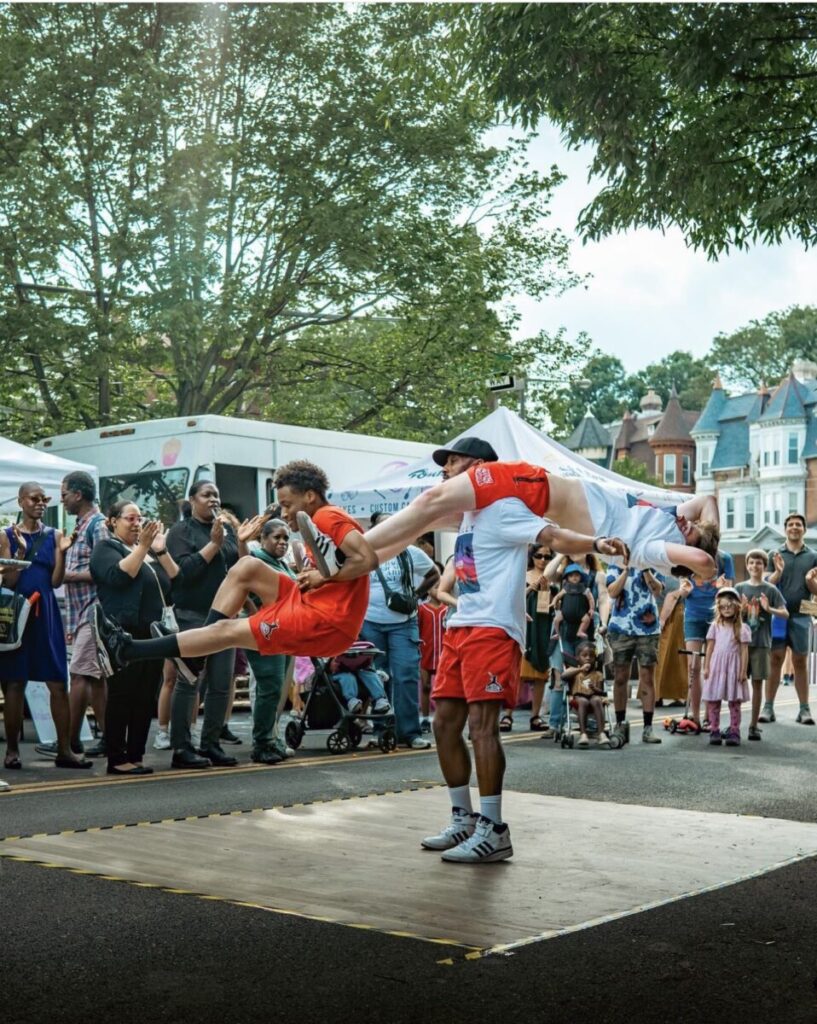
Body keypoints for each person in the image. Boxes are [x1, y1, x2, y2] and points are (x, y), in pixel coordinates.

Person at [411, 448, 627, 864]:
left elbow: (553, 537)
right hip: (461, 628)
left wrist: (596, 542)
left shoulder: (503, 507)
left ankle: (494, 830)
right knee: (444, 724)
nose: (445, 470)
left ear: (479, 468)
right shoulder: (466, 517)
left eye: (452, 462)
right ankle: (464, 819)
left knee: (482, 727)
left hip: (493, 629)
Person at [91, 461, 377, 695]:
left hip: (325, 624)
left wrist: (321, 577)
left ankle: (127, 650)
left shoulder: (327, 516)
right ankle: (196, 656)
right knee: (247, 567)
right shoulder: (320, 519)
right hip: (311, 604)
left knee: (225, 632)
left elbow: (366, 560)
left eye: (287, 504)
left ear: (310, 496)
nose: (284, 513)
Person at [310, 439, 719, 579]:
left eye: (689, 528)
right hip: (531, 502)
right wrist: (703, 525)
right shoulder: (666, 516)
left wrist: (709, 551)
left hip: (534, 488)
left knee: (429, 501)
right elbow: (708, 500)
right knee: (430, 517)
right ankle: (358, 566)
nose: (686, 520)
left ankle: (351, 550)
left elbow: (702, 560)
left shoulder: (650, 549)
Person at [158, 480, 258, 770]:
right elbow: (183, 574)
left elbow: (244, 570)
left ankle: (211, 743)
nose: (214, 499)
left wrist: (240, 541)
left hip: (224, 617)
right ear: (192, 500)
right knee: (188, 682)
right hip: (193, 616)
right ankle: (181, 748)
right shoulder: (180, 531)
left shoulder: (225, 530)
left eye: (216, 494)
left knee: (221, 684)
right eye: (207, 495)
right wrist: (213, 546)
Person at [0, 482, 90, 770]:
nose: (40, 503)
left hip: (46, 612)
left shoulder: (55, 535)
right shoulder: (5, 536)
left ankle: (64, 749)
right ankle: (12, 751)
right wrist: (22, 554)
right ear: (20, 501)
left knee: (57, 682)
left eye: (44, 499)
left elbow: (55, 581)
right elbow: (9, 583)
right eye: (34, 499)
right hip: (18, 613)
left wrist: (63, 551)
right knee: (14, 683)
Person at [91, 501, 180, 774]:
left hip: (151, 634)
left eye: (140, 518)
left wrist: (160, 548)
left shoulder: (148, 551)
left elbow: (175, 577)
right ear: (113, 521)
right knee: (122, 695)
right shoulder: (106, 548)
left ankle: (136, 754)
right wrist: (142, 547)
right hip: (123, 635)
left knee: (144, 696)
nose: (136, 523)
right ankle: (116, 758)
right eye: (130, 518)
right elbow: (120, 576)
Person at [360, 512, 439, 750]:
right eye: (383, 527)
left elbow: (433, 574)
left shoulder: (411, 553)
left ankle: (410, 733)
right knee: (379, 676)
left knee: (406, 675)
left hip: (404, 623)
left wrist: (415, 596)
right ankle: (383, 731)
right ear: (373, 530)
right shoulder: (364, 555)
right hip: (370, 622)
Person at [59, 471, 108, 758]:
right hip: (81, 614)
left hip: (94, 611)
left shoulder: (97, 526)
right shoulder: (81, 525)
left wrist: (68, 576)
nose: (61, 499)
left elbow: (104, 570)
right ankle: (110, 737)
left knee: (78, 675)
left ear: (78, 494)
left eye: (64, 494)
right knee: (97, 679)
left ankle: (69, 740)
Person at [242, 518, 296, 765]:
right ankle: (262, 743)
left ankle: (271, 738)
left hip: (284, 631)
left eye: (286, 538)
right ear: (263, 539)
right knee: (269, 686)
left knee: (276, 689)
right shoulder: (257, 558)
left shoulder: (281, 563)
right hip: (265, 631)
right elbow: (242, 580)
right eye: (277, 537)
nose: (283, 542)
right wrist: (256, 615)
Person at [760, 514, 817, 725]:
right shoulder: (775, 554)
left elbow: (816, 591)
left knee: (800, 662)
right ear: (785, 529)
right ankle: (768, 708)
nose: (794, 527)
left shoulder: (813, 556)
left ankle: (804, 710)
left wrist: (810, 582)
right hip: (778, 615)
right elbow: (767, 585)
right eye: (791, 524)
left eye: (798, 524)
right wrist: (777, 572)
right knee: (775, 660)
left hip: (802, 614)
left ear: (804, 529)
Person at [606, 561, 665, 745]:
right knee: (620, 677)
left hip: (647, 628)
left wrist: (645, 568)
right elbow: (612, 592)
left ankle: (648, 728)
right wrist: (625, 570)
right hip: (620, 627)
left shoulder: (654, 562)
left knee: (647, 676)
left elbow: (657, 591)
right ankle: (620, 723)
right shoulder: (614, 564)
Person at [736, 550, 788, 741]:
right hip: (741, 645)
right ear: (747, 565)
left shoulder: (771, 590)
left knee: (757, 684)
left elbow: (785, 613)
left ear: (764, 567)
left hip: (761, 643)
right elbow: (727, 614)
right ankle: (735, 725)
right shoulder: (740, 588)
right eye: (751, 563)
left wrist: (769, 609)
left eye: (759, 563)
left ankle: (753, 725)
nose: (755, 566)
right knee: (738, 683)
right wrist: (739, 610)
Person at [681, 549, 735, 726]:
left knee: (712, 667)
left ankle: (709, 716)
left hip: (716, 617)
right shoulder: (688, 555)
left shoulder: (725, 558)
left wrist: (722, 588)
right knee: (693, 666)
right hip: (693, 616)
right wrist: (684, 592)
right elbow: (682, 591)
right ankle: (695, 716)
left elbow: (730, 593)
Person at [702, 588, 751, 746]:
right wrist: (706, 667)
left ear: (737, 606)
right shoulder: (715, 626)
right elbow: (709, 647)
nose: (726, 609)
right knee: (714, 700)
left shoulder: (742, 628)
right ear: (718, 608)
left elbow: (744, 651)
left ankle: (734, 731)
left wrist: (743, 671)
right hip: (716, 667)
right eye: (723, 607)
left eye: (729, 606)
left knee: (734, 701)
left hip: (733, 668)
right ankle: (714, 730)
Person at [562, 641, 609, 748]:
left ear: (595, 659)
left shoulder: (598, 674)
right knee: (583, 701)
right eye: (584, 656)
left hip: (594, 696)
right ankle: (583, 734)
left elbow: (601, 692)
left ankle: (601, 733)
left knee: (597, 700)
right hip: (578, 697)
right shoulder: (574, 671)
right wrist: (580, 669)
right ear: (577, 658)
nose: (588, 658)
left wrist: (595, 688)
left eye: (591, 656)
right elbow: (564, 677)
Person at [417, 565, 447, 733]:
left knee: (442, 687)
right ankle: (425, 718)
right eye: (434, 587)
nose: (437, 590)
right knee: (426, 685)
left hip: (443, 653)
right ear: (428, 590)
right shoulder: (422, 609)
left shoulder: (446, 609)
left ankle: (441, 717)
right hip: (426, 653)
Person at [329, 640, 392, 714]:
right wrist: (331, 663)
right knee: (348, 677)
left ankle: (380, 699)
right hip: (339, 673)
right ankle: (351, 701)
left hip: (359, 669)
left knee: (370, 675)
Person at [552, 563, 596, 643]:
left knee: (587, 620)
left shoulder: (584, 588)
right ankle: (557, 633)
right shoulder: (565, 588)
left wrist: (592, 609)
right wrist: (554, 602)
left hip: (581, 613)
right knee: (556, 620)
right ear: (567, 578)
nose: (574, 578)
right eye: (571, 576)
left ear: (581, 577)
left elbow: (591, 599)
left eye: (576, 575)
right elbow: (557, 596)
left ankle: (580, 631)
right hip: (565, 613)